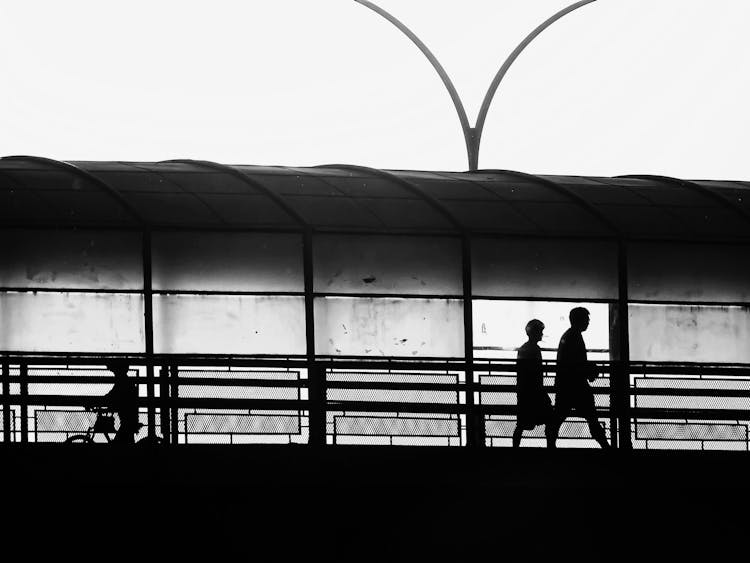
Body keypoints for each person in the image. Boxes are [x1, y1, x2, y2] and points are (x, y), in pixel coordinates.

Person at [546, 307, 609, 449]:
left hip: (566, 385)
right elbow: (577, 363)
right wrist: (590, 370)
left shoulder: (569, 336)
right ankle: (605, 446)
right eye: (586, 319)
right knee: (591, 417)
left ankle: (550, 445)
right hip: (577, 386)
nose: (588, 322)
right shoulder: (575, 337)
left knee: (560, 416)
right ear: (580, 320)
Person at [512, 319, 553, 447]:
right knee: (550, 418)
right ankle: (551, 446)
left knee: (522, 424)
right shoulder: (534, 349)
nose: (542, 334)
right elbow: (535, 373)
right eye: (540, 331)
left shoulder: (523, 349)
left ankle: (515, 450)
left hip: (525, 392)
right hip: (535, 392)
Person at [103, 361, 139, 444]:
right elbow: (114, 394)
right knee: (127, 438)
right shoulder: (125, 380)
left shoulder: (122, 381)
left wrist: (103, 400)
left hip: (127, 418)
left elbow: (113, 394)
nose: (114, 373)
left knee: (120, 440)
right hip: (129, 417)